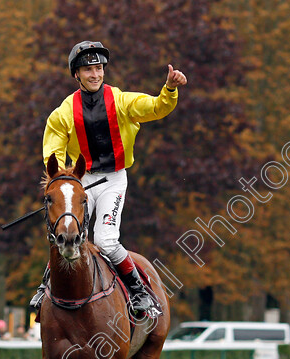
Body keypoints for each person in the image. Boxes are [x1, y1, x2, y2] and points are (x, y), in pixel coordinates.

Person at [30, 40, 187, 315]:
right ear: (76, 75)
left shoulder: (122, 100)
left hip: (113, 179)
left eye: (99, 68)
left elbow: (156, 107)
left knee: (104, 241)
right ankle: (46, 285)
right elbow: (52, 155)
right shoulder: (64, 112)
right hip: (82, 180)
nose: (95, 74)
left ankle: (139, 291)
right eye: (88, 70)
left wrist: (169, 89)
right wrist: (63, 185)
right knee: (66, 230)